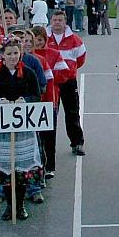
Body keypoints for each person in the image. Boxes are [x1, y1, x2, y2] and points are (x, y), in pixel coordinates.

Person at [0, 36, 42, 220]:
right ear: (2, 55)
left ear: (20, 54)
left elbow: (36, 96)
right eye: (9, 54)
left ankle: (20, 205)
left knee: (21, 171)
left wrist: (25, 100)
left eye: (16, 53)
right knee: (6, 169)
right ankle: (9, 206)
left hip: (23, 130)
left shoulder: (29, 73)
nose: (13, 57)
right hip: (1, 132)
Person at [46, 10, 86, 156]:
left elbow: (80, 59)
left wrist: (68, 72)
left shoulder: (75, 40)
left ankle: (77, 143)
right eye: (55, 20)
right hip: (49, 83)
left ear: (65, 22)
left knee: (72, 113)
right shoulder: (44, 38)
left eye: (60, 20)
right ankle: (47, 146)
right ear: (50, 21)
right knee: (50, 114)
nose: (57, 22)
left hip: (68, 82)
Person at [31, 26, 69, 178]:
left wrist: (50, 79)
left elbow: (65, 73)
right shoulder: (26, 56)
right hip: (34, 101)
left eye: (40, 40)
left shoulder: (54, 54)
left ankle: (49, 166)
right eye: (35, 40)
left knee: (49, 135)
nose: (38, 43)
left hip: (50, 99)